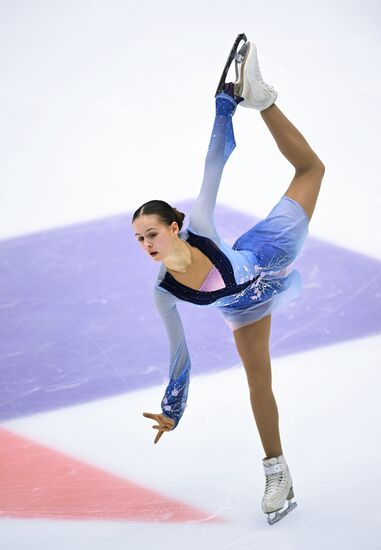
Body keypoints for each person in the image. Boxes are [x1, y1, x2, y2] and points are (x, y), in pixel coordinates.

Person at [132, 40, 325, 524]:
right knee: (258, 379)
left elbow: (213, 160)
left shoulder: (199, 225)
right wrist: (172, 411)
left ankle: (264, 100)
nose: (146, 245)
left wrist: (227, 105)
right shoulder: (162, 291)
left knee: (311, 169)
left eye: (151, 234)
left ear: (172, 228)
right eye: (139, 240)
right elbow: (180, 356)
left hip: (269, 252)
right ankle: (277, 472)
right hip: (243, 307)